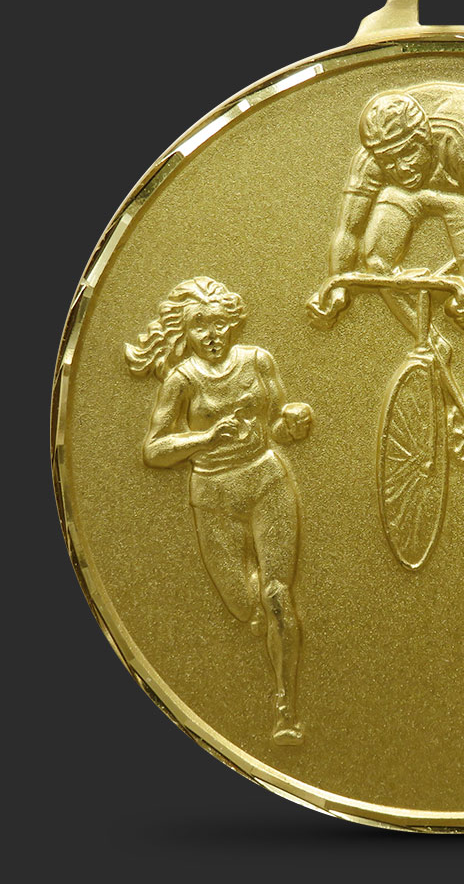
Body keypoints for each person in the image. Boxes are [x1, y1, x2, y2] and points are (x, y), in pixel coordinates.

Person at [307, 82, 464, 498]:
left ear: (424, 137)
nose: (400, 167)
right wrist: (337, 286)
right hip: (413, 195)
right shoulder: (373, 160)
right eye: (388, 161)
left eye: (407, 154)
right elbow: (348, 232)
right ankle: (431, 340)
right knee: (376, 264)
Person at [125, 277, 312, 742]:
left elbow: (277, 423)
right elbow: (153, 450)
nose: (212, 334)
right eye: (199, 325)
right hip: (214, 495)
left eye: (219, 322)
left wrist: (293, 422)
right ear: (185, 331)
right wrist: (206, 438)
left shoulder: (258, 361)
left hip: (267, 481)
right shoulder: (181, 380)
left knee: (277, 595)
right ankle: (260, 616)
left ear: (233, 323)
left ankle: (286, 706)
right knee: (244, 603)